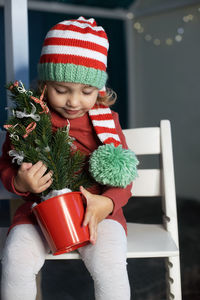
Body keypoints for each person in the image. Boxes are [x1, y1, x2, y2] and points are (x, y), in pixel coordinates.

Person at [0, 16, 135, 300]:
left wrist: (107, 202)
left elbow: (123, 173)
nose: (73, 101)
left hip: (96, 212)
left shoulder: (106, 121)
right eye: (61, 90)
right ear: (45, 84)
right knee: (16, 258)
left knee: (109, 263)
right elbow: (6, 164)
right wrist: (22, 183)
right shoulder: (30, 119)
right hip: (40, 212)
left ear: (98, 89)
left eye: (86, 92)